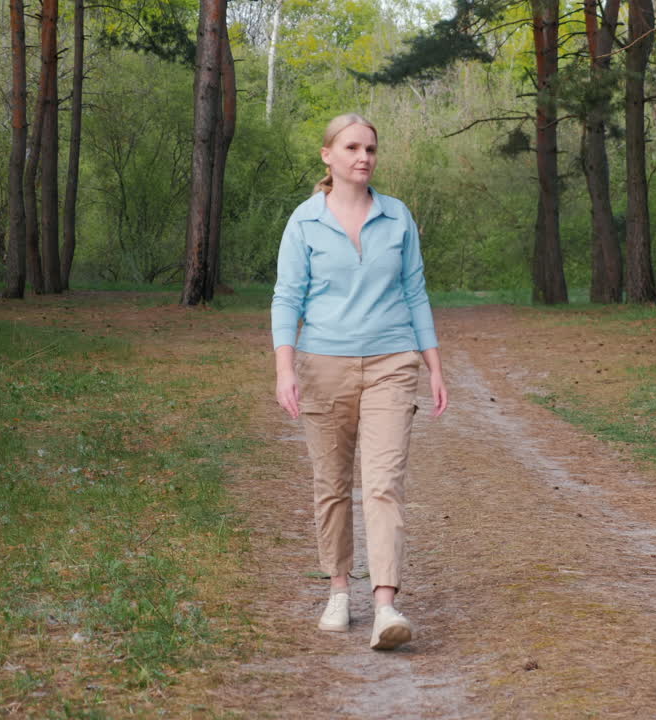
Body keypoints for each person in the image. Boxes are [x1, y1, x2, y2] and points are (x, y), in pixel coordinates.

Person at [271, 113, 448, 651]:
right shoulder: (304, 222)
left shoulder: (398, 218)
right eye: (351, 147)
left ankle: (386, 605)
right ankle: (339, 591)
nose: (363, 157)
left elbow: (415, 293)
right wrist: (284, 368)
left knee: (383, 484)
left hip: (393, 363)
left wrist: (434, 364)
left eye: (370, 148)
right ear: (328, 155)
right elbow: (287, 298)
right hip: (323, 365)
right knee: (332, 485)